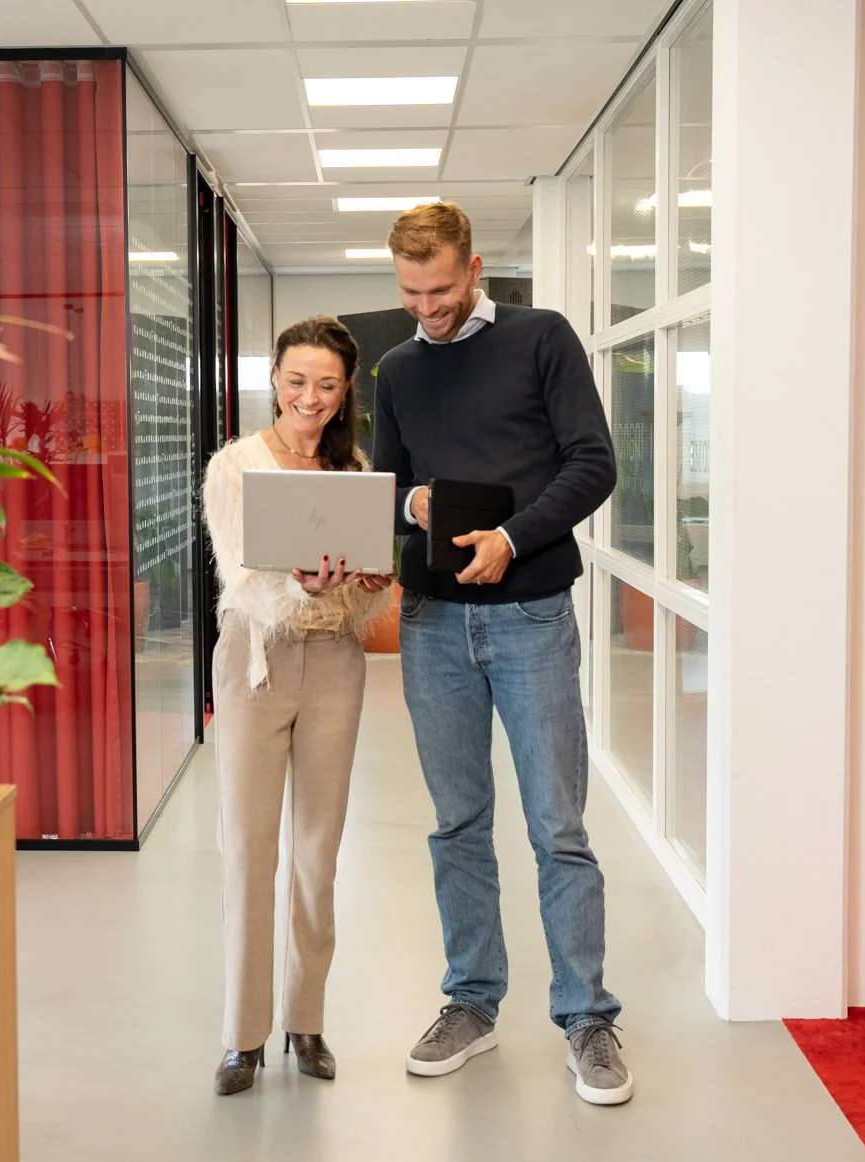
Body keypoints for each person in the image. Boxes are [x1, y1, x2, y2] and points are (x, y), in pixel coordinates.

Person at [370, 202, 632, 1105]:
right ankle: (472, 1003)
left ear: (474, 268)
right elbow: (389, 483)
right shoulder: (398, 369)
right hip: (431, 623)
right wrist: (412, 505)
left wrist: (512, 537)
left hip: (530, 615)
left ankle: (587, 1018)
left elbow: (593, 463)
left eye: (441, 290)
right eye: (411, 294)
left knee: (557, 826)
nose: (427, 308)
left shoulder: (542, 338)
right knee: (457, 824)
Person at [200, 315, 393, 1096]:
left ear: (344, 393)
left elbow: (358, 602)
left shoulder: (355, 469)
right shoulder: (235, 466)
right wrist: (302, 586)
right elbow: (240, 576)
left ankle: (305, 1021)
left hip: (336, 666)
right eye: (297, 380)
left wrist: (367, 584)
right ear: (275, 380)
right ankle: (242, 1036)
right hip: (256, 664)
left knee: (318, 851)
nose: (309, 396)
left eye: (326, 384)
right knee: (249, 851)